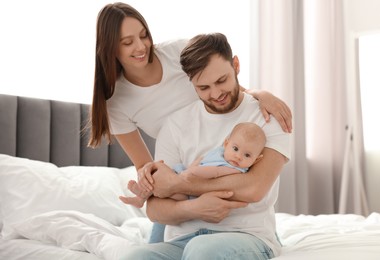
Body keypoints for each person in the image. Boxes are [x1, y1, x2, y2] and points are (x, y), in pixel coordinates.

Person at [88, 2, 292, 244]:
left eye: (144, 35)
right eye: (127, 42)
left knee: (235, 228)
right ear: (110, 48)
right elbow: (150, 168)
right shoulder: (116, 103)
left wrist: (260, 93)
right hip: (182, 177)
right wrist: (160, 193)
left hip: (220, 159)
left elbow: (222, 85)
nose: (141, 46)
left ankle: (261, 238)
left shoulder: (177, 52)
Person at [119, 33, 291, 260]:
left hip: (246, 235)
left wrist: (179, 183)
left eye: (222, 81)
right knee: (133, 257)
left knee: (201, 251)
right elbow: (155, 209)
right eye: (204, 87)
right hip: (181, 240)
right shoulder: (175, 125)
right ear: (191, 83)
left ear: (236, 65)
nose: (216, 94)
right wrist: (194, 207)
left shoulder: (267, 114)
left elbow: (254, 188)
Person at [124, 122, 266, 208]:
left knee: (172, 193)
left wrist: (190, 173)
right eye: (235, 149)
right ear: (226, 143)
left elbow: (215, 173)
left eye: (247, 155)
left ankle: (142, 197)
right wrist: (190, 168)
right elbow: (201, 158)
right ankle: (141, 197)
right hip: (187, 173)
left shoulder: (235, 169)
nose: (238, 156)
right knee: (159, 170)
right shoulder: (221, 152)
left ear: (256, 160)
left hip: (192, 192)